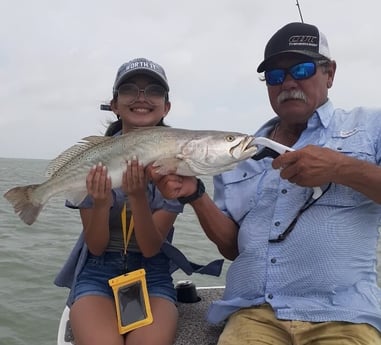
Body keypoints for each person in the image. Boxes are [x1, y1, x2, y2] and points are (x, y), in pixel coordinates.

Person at [149, 22, 381, 344]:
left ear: (330, 73)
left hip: (342, 317)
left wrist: (340, 167)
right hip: (254, 314)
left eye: (301, 68)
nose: (287, 82)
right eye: (274, 75)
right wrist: (195, 193)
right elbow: (232, 247)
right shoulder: (238, 155)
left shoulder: (369, 127)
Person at [55, 57, 183, 345]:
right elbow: (96, 245)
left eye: (153, 91)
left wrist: (138, 197)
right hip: (97, 273)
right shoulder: (95, 162)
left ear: (166, 106)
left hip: (152, 276)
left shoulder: (173, 166)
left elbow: (151, 248)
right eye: (129, 90)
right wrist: (100, 204)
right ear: (114, 104)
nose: (141, 98)